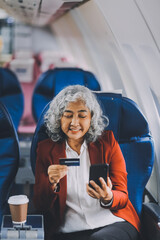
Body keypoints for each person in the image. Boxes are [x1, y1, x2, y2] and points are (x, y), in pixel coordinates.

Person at [33, 85, 141, 240]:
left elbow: (123, 196)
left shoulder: (107, 143)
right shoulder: (46, 150)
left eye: (82, 116)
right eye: (68, 115)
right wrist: (50, 183)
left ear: (91, 118)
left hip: (113, 221)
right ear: (59, 119)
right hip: (68, 229)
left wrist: (108, 196)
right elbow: (40, 204)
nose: (74, 123)